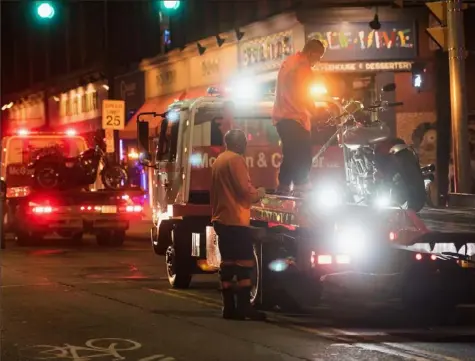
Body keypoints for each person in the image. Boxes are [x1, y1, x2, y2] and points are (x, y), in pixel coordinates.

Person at [211, 129, 267, 320]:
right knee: (245, 264)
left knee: (227, 265)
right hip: (236, 220)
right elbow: (245, 191)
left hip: (221, 219)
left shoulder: (219, 161)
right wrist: (261, 192)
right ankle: (244, 307)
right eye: (244, 141)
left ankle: (228, 308)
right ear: (236, 143)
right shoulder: (236, 160)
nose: (246, 145)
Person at [272, 39, 327, 195]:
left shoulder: (289, 62)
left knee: (290, 153)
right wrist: (316, 111)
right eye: (319, 57)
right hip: (295, 117)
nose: (318, 61)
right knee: (303, 155)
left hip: (281, 117)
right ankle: (301, 186)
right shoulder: (303, 68)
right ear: (311, 53)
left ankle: (283, 186)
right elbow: (303, 94)